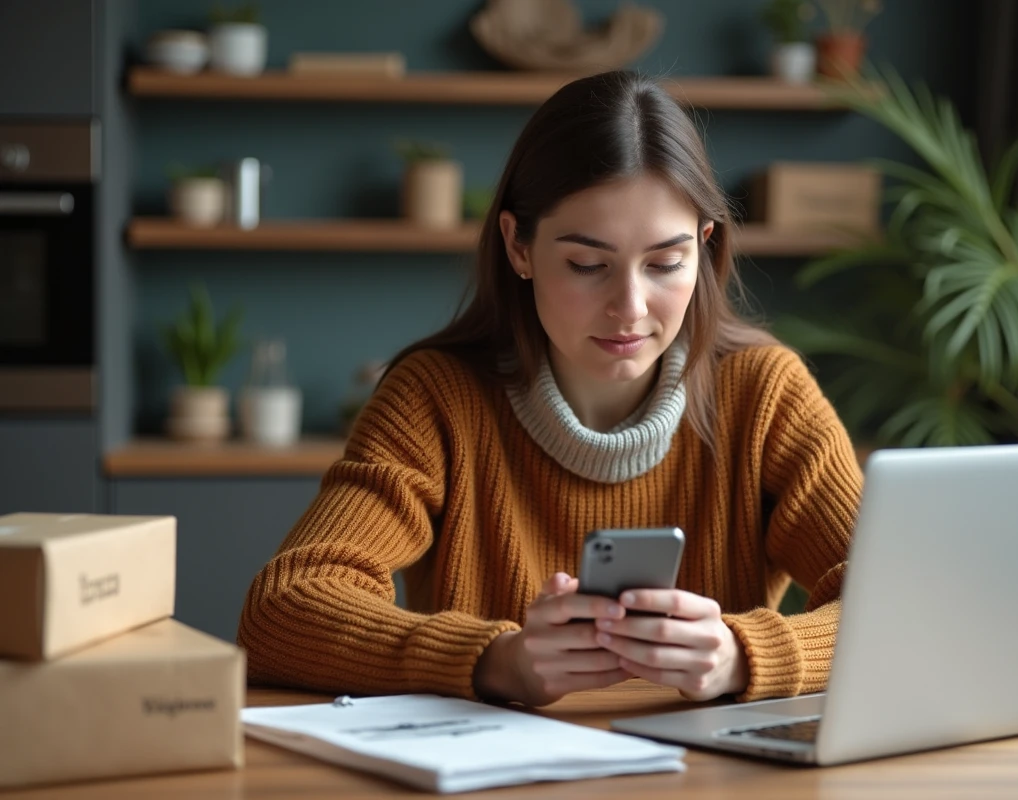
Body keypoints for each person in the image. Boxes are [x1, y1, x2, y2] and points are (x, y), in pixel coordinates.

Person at [237, 70, 863, 708]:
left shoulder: (765, 394)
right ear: (519, 246)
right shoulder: (435, 399)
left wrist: (741, 656)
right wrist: (492, 661)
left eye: (666, 264)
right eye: (588, 265)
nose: (630, 306)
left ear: (704, 248)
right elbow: (283, 609)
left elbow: (916, 601)